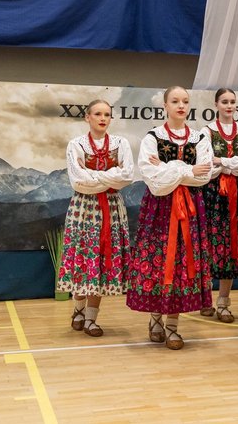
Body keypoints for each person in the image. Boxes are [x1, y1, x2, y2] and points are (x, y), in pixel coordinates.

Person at [126, 86, 213, 350]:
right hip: (160, 208)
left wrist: (168, 168)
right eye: (175, 101)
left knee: (181, 263)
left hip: (189, 207)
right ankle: (155, 318)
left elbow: (205, 175)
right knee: (159, 260)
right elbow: (153, 181)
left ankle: (173, 325)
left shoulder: (199, 138)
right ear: (165, 105)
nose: (181, 105)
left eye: (185, 101)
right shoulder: (153, 136)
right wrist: (186, 169)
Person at [59, 99, 135, 338]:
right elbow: (78, 181)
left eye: (107, 114)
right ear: (87, 117)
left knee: (101, 262)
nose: (103, 118)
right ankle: (78, 310)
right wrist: (109, 177)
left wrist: (95, 176)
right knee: (85, 259)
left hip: (111, 209)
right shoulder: (77, 145)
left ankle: (91, 319)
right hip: (84, 208)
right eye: (98, 114)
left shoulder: (121, 143)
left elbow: (127, 176)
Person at [200, 88, 238, 323]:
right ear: (216, 104)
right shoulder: (206, 132)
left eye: (232, 102)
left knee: (233, 246)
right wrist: (236, 163)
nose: (229, 105)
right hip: (213, 194)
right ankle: (205, 298)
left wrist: (223, 161)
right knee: (210, 243)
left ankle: (224, 302)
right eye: (224, 101)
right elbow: (207, 166)